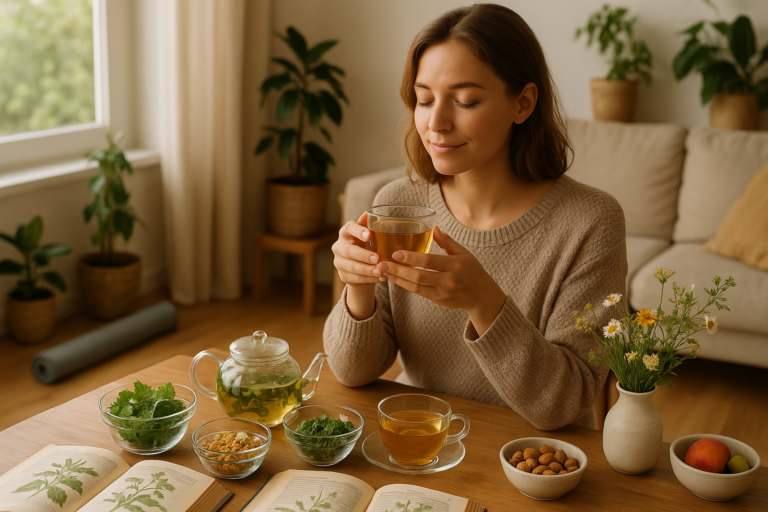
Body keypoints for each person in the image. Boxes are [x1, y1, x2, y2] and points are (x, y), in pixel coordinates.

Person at [323, 4, 627, 430]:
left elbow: (565, 402)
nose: (436, 122)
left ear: (522, 104)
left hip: (532, 463)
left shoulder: (591, 222)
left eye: (465, 101)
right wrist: (358, 292)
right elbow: (353, 373)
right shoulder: (398, 204)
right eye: (424, 99)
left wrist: (484, 303)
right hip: (424, 438)